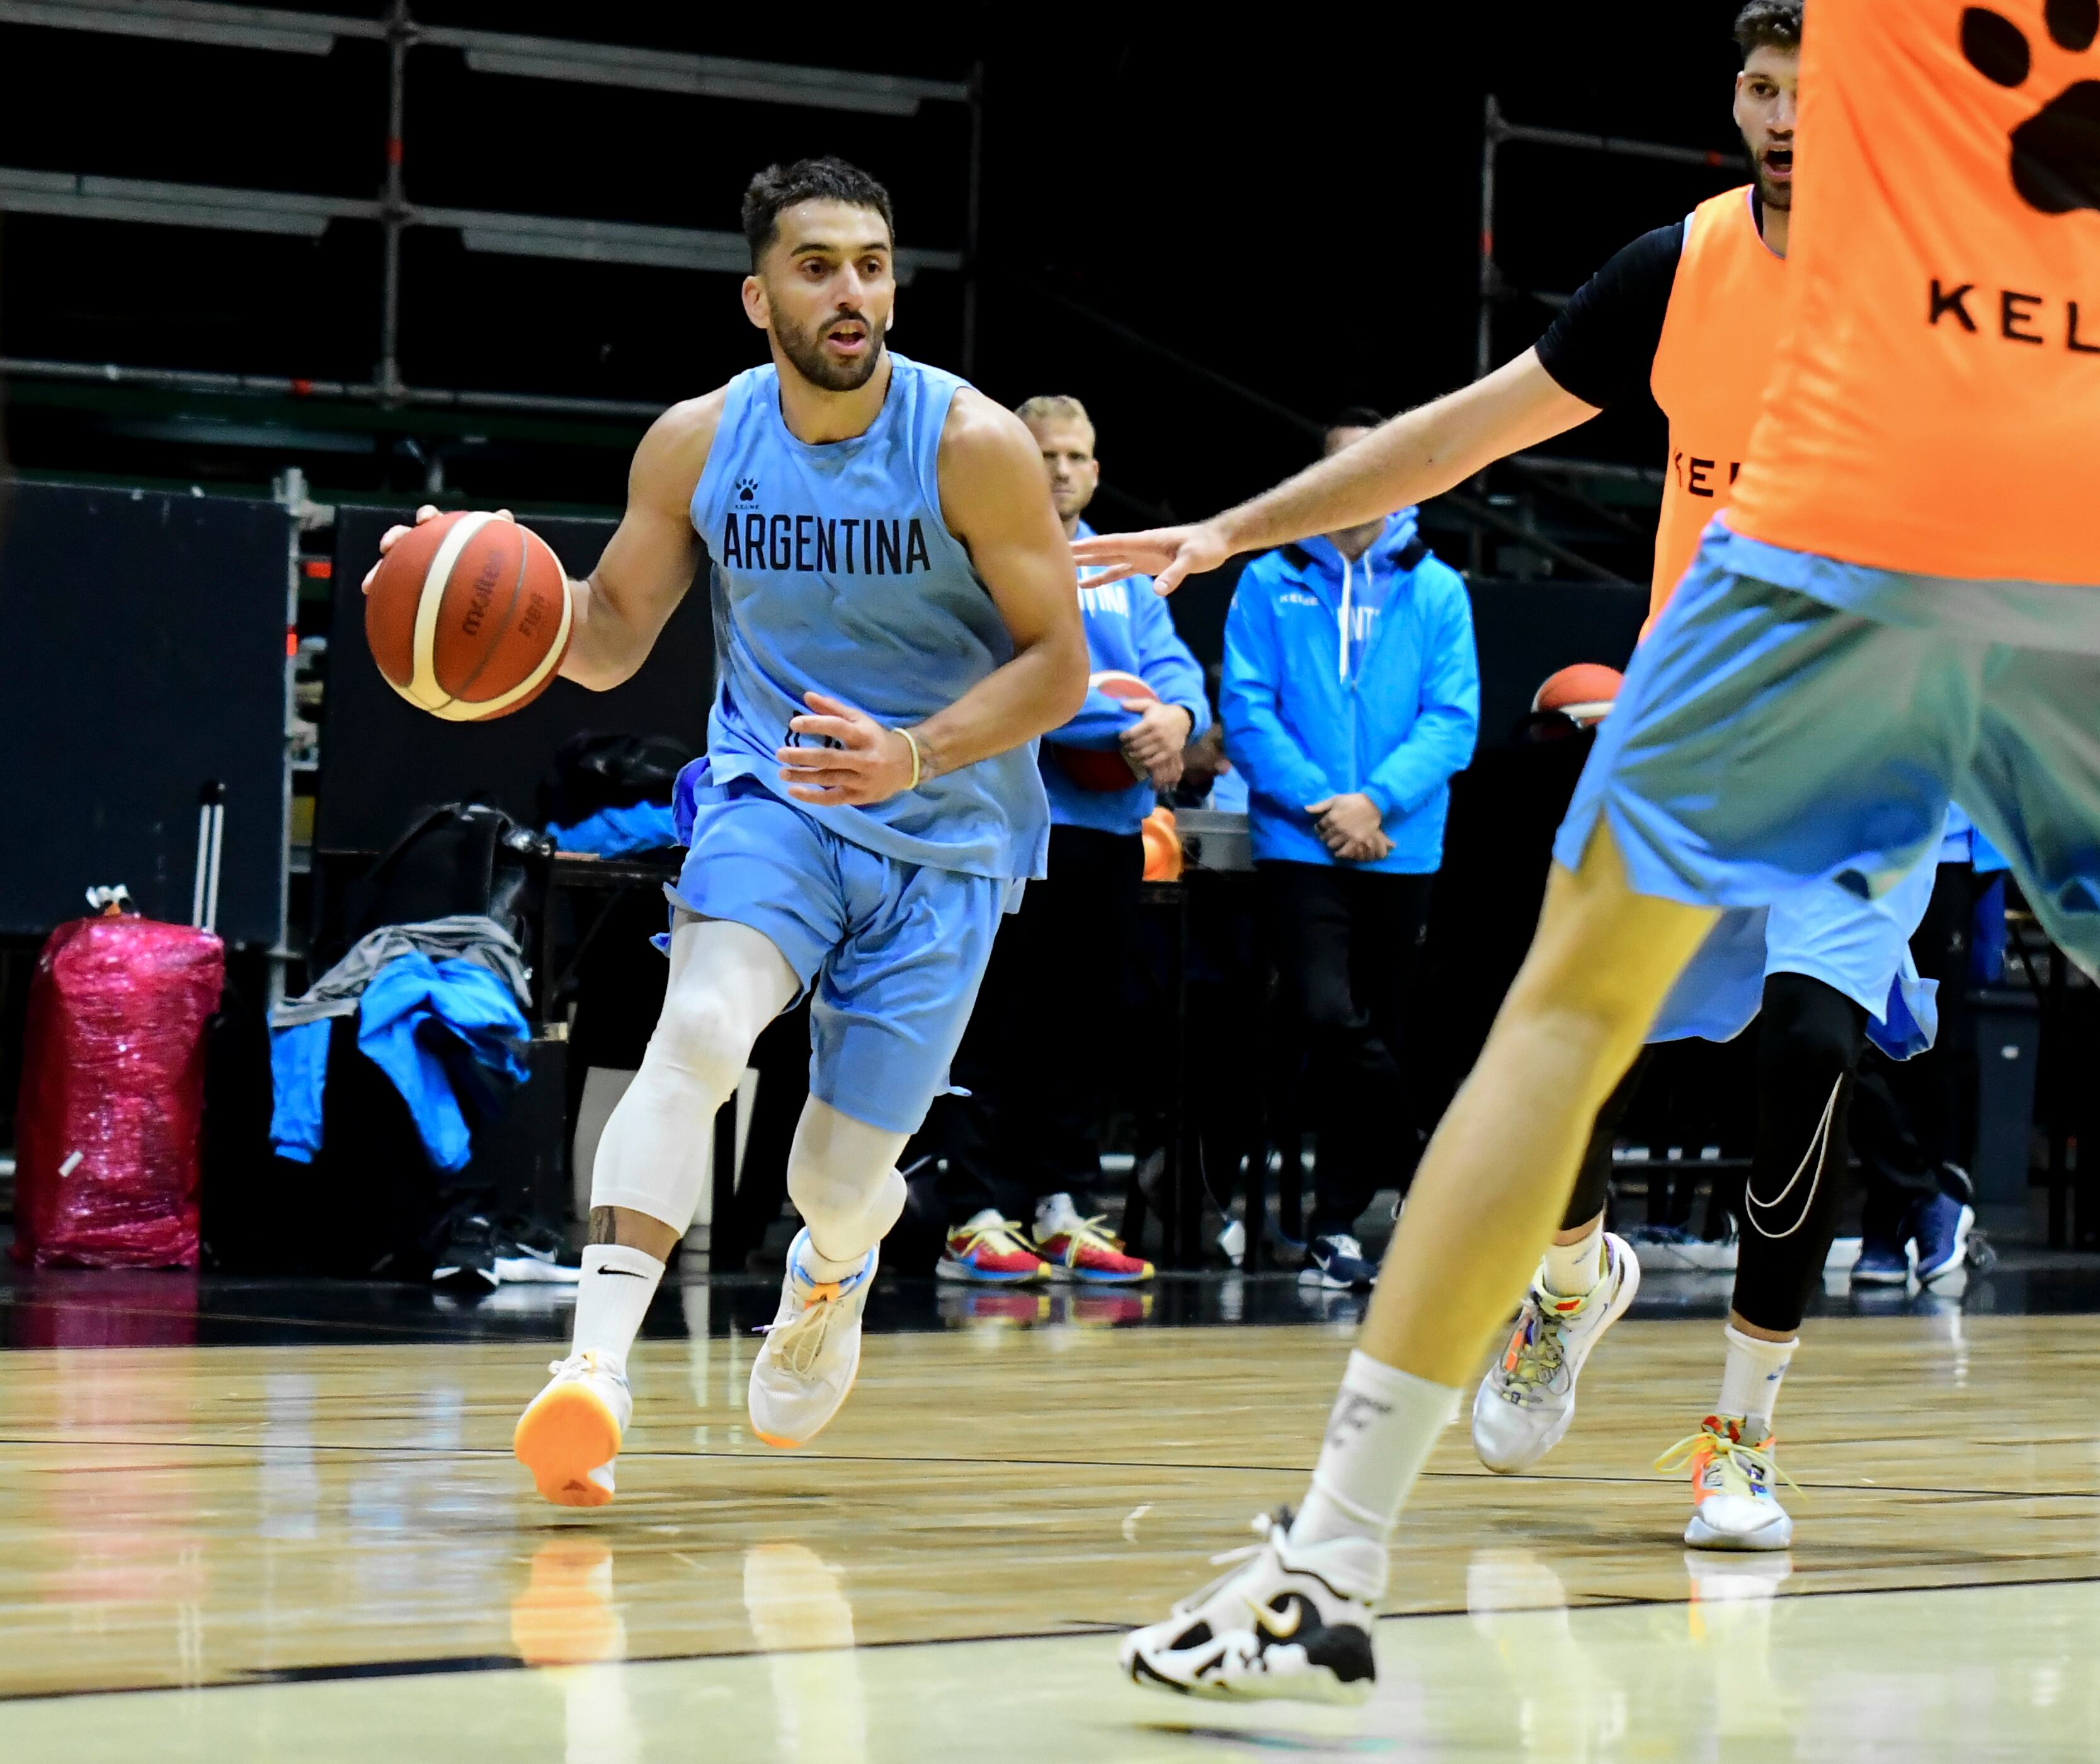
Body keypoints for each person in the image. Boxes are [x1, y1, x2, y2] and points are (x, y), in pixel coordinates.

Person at [1083, 0, 2100, 1702]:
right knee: (1554, 1039)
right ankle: (1344, 1536)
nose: (1789, 112)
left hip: (1986, 561)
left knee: (1753, 1046)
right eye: (1762, 89)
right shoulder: (1693, 260)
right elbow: (1484, 418)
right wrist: (1239, 527)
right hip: (1835, 562)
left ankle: (1672, 1449)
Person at [374, 157, 1088, 1506]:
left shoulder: (973, 444)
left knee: (832, 1176)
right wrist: (465, 580)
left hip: (947, 833)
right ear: (757, 295)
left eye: (872, 263)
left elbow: (1058, 667)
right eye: (819, 265)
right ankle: (590, 1370)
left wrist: (916, 749)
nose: (851, 291)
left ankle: (839, 1262)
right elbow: (602, 637)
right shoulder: (698, 441)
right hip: (775, 794)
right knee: (699, 1026)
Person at [923, 394, 1209, 1285]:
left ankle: (1059, 1207)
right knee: (993, 1026)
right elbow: (1013, 678)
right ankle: (973, 1210)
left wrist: (1175, 714)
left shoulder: (1123, 568)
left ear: (1095, 469)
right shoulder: (982, 551)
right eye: (1042, 453)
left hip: (1107, 835)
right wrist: (1121, 727)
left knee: (1083, 1029)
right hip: (1006, 832)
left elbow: (1172, 669)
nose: (1059, 471)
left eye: (1076, 456)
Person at [1222, 411, 1478, 1289]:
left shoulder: (1438, 589)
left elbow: (1454, 721)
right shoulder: (1266, 581)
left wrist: (1375, 800)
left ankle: (1334, 1229)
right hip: (1300, 843)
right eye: (1344, 467)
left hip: (1401, 843)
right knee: (1329, 1017)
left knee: (1377, 1036)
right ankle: (1436, 1173)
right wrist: (1324, 804)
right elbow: (1247, 711)